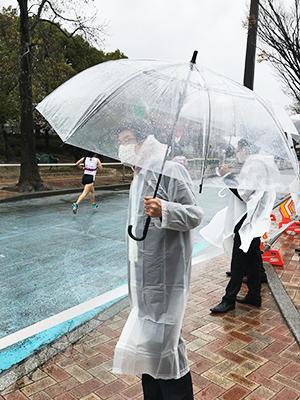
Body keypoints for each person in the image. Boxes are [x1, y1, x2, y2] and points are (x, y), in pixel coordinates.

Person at [113, 128, 203, 400]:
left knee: (166, 342)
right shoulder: (139, 176)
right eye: (120, 144)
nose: (122, 149)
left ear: (142, 141)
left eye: (127, 141)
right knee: (148, 341)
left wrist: (165, 209)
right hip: (143, 275)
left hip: (166, 275)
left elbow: (195, 214)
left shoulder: (171, 170)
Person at [201, 139, 277, 313]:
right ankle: (254, 295)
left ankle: (229, 299)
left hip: (247, 218)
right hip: (255, 217)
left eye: (238, 149)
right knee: (253, 257)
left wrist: (226, 177)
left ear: (245, 149)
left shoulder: (255, 164)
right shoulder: (261, 162)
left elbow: (244, 193)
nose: (237, 152)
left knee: (239, 258)